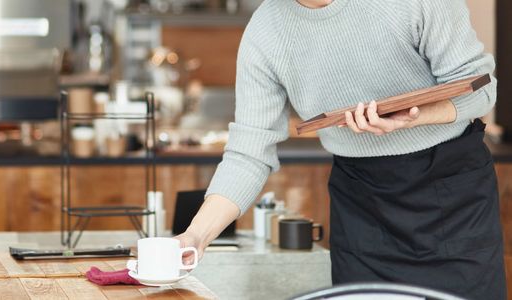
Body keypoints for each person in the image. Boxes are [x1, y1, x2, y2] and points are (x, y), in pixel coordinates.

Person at [174, 0, 505, 298]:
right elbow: (249, 152)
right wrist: (195, 236)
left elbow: (480, 92)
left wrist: (410, 118)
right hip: (362, 204)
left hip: (451, 192)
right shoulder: (265, 31)